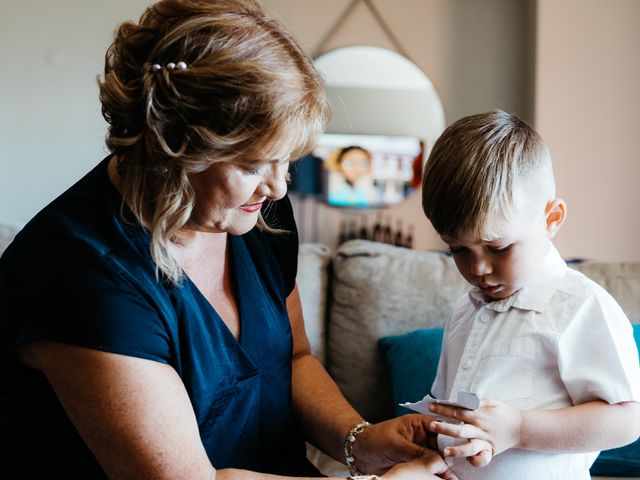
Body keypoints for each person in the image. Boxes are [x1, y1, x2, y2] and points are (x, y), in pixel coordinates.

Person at [0, 1, 459, 479]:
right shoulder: (81, 273)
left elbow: (294, 358)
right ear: (172, 146)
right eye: (254, 165)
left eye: (287, 161)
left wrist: (360, 441)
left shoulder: (253, 214)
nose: (279, 187)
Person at [420, 110, 640, 479]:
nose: (478, 269)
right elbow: (448, 408)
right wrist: (439, 449)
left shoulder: (580, 306)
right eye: (458, 250)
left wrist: (520, 428)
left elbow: (627, 419)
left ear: (551, 219)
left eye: (499, 248)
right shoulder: (464, 311)